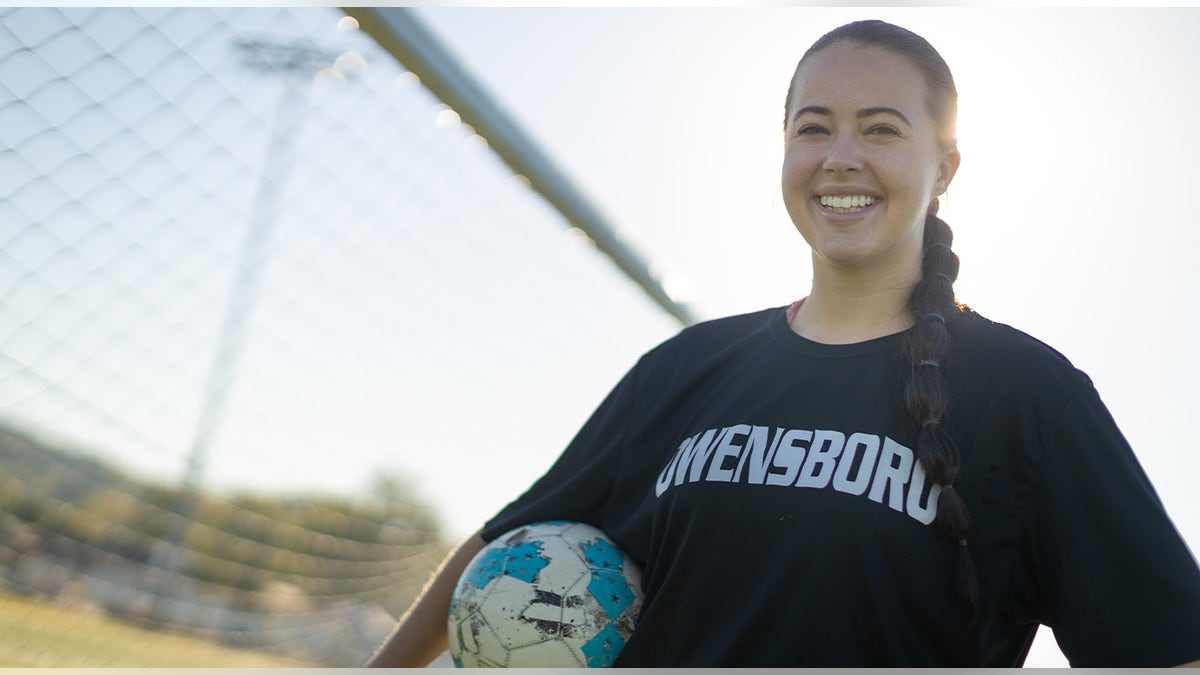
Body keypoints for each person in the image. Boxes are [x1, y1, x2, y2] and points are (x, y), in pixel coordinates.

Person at [367, 19, 1200, 667]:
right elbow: (501, 548)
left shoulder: (1028, 393)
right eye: (813, 128)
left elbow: (1165, 644)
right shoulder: (687, 369)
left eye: (880, 129)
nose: (841, 158)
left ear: (945, 166)